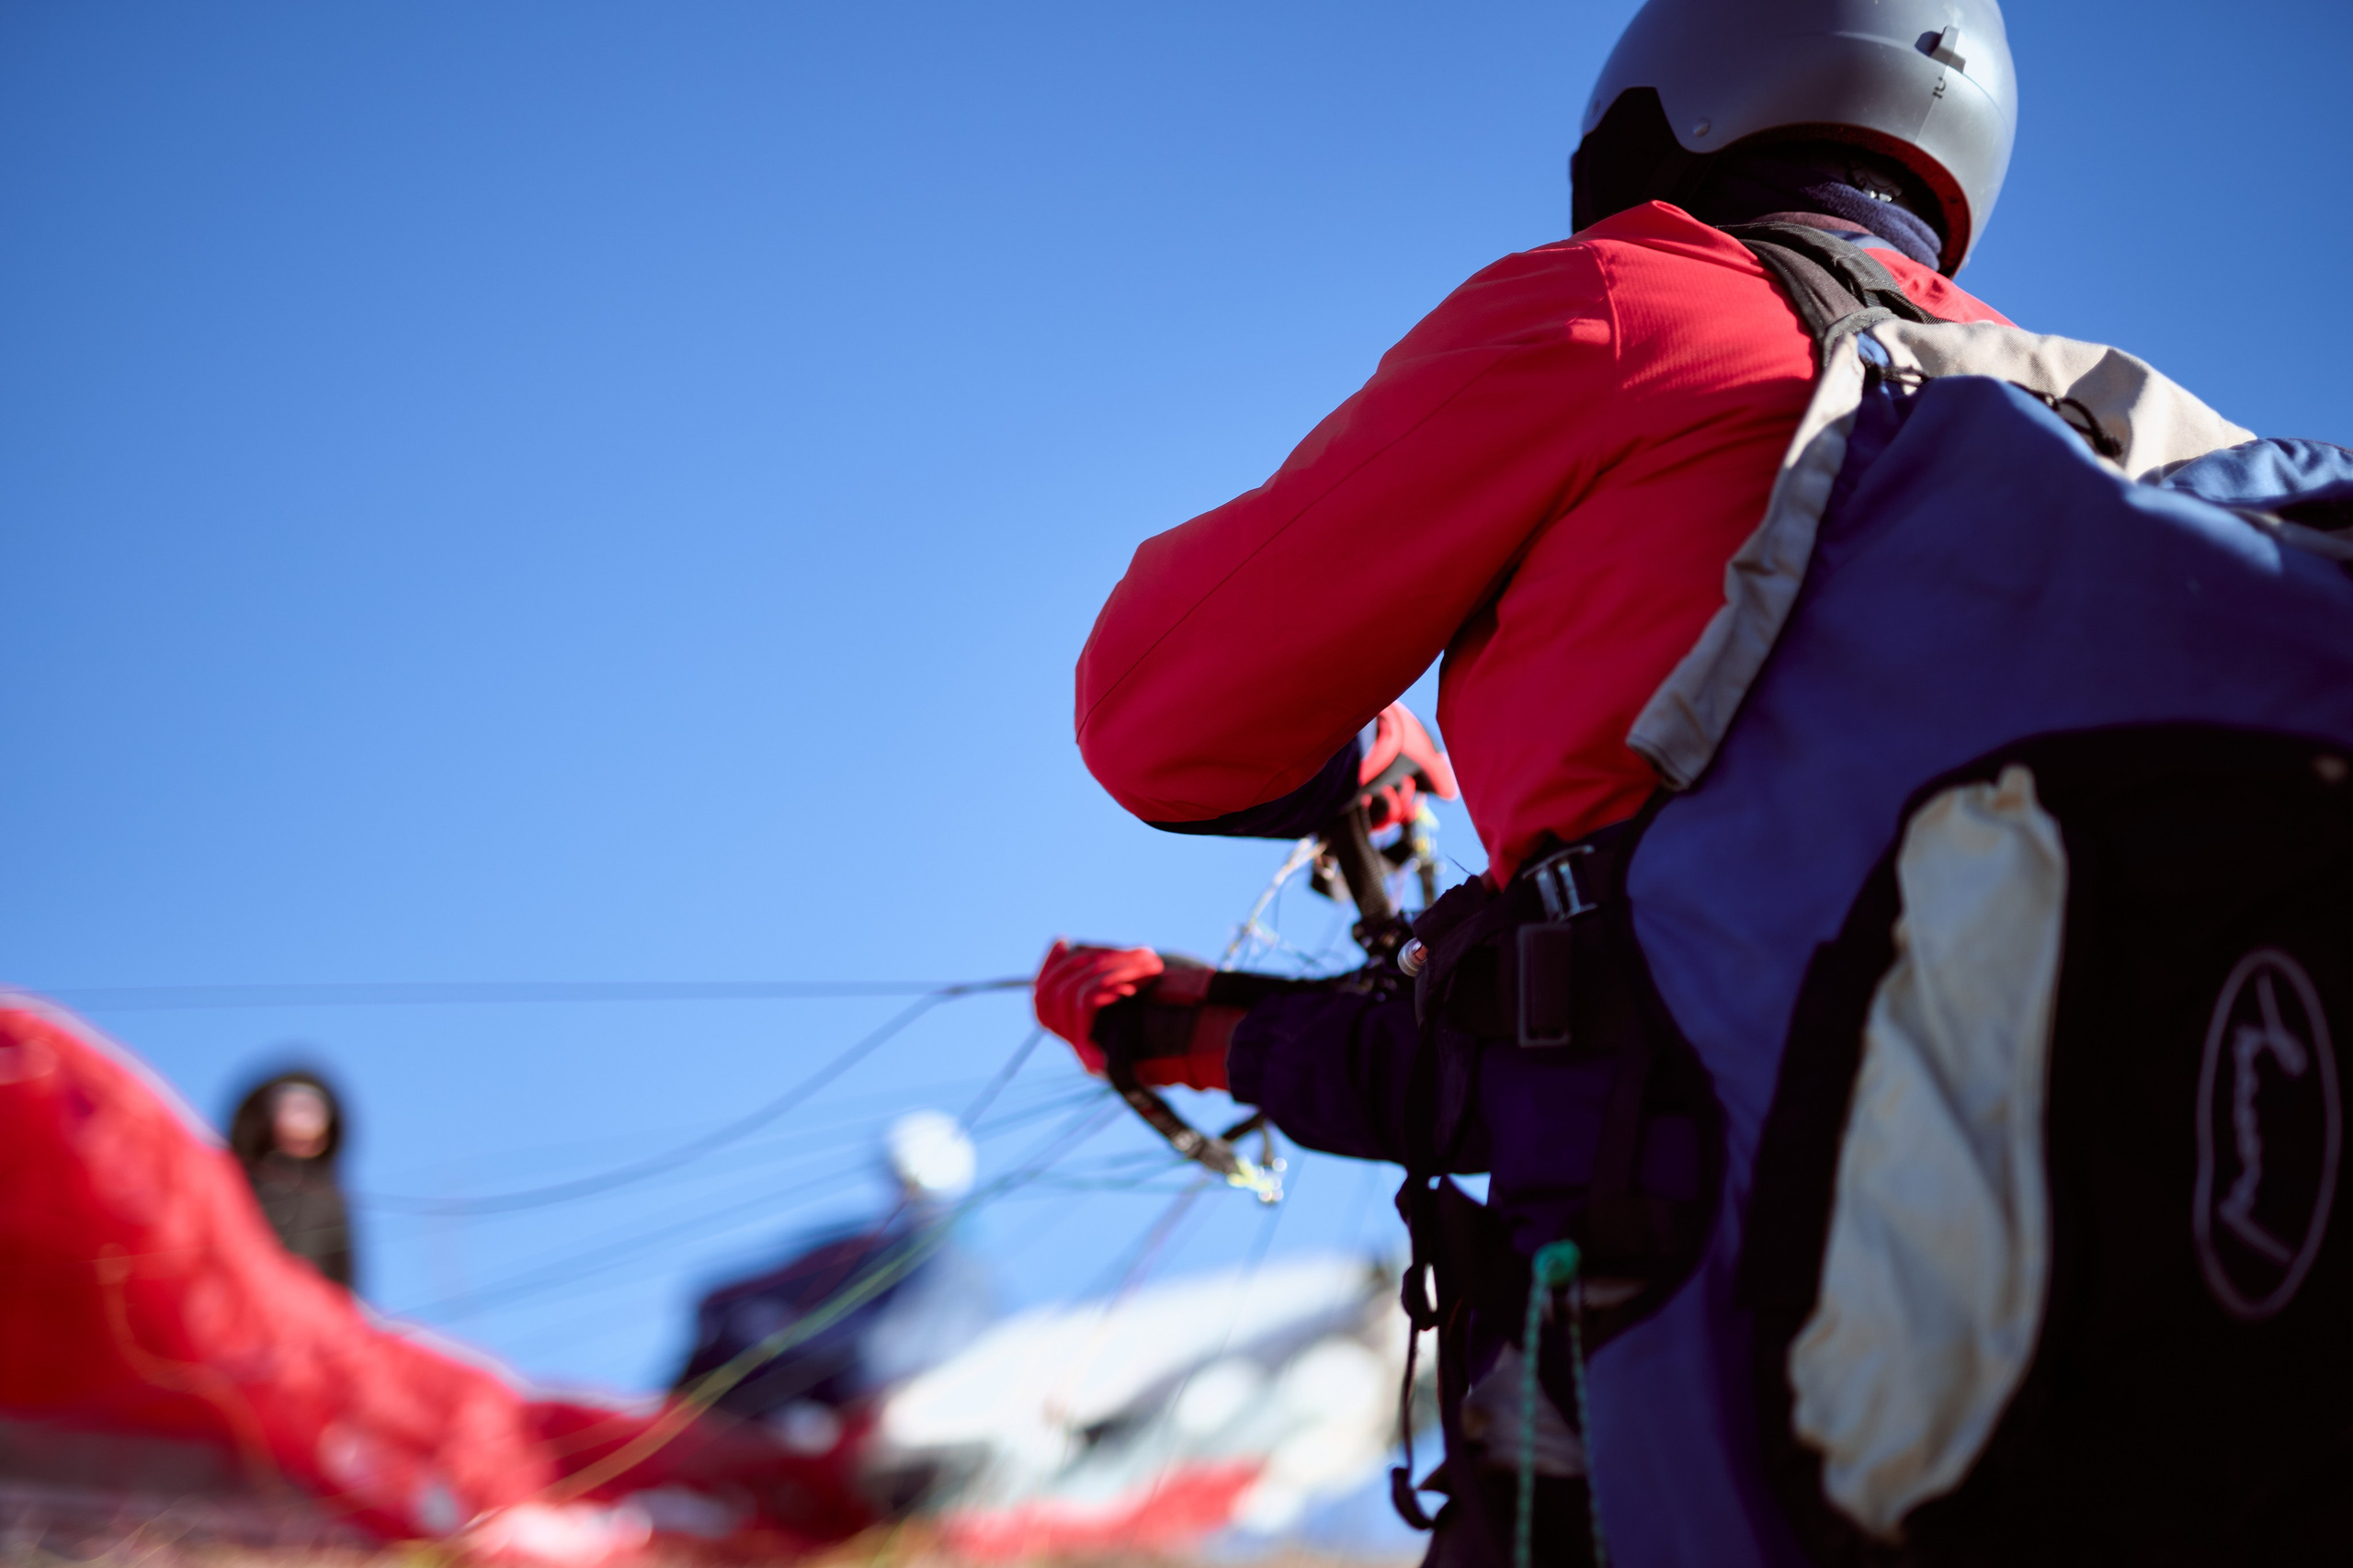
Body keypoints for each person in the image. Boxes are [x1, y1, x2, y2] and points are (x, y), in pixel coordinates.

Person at [1038, 2, 2020, 1563]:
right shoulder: (2084, 427)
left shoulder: (1636, 304)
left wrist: (1206, 989)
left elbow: (1157, 710)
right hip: (2076, 1322)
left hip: (1672, 1337)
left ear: (1674, 90)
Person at [227, 1069, 357, 1290]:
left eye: (312, 1109)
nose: (304, 1118)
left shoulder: (327, 1196)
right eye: (297, 1107)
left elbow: (341, 1269)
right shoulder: (239, 1183)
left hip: (306, 1305)